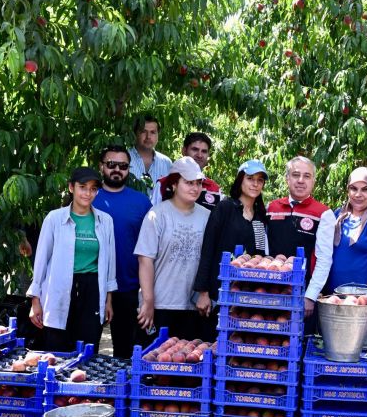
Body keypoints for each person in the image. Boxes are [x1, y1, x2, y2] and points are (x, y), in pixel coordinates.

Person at [27, 167, 117, 351]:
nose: (88, 193)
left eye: (93, 189)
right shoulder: (54, 219)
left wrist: (108, 300)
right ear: (71, 188)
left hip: (92, 288)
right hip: (60, 287)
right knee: (57, 344)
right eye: (83, 187)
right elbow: (41, 260)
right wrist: (35, 301)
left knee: (88, 346)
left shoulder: (105, 220)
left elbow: (110, 264)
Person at [134, 157, 210, 340]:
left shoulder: (207, 216)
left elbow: (210, 260)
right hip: (160, 305)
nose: (195, 188)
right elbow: (145, 260)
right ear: (174, 184)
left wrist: (205, 294)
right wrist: (148, 300)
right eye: (189, 182)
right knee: (154, 362)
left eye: (198, 183)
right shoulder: (157, 215)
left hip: (194, 307)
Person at [193, 159, 270, 340]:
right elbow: (208, 248)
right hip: (219, 292)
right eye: (251, 178)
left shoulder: (260, 215)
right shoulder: (225, 208)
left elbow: (260, 255)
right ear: (240, 180)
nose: (255, 184)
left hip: (246, 295)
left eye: (260, 180)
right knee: (214, 342)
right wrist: (203, 292)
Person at [93, 145, 152, 358]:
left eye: (123, 166)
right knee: (86, 347)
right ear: (101, 167)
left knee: (125, 352)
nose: (117, 170)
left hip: (128, 286)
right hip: (93, 284)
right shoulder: (89, 198)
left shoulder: (141, 202)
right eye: (111, 165)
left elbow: (151, 247)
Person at [267, 156, 335, 320]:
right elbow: (265, 250)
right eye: (296, 175)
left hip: (302, 292)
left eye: (307, 176)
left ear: (313, 181)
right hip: (271, 289)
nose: (301, 180)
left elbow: (324, 259)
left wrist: (310, 296)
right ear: (287, 178)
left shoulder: (323, 214)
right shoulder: (272, 207)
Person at [151, 132, 223, 211]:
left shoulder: (214, 189)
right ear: (184, 151)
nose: (199, 155)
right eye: (195, 149)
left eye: (204, 151)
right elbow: (154, 216)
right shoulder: (163, 184)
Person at [129, 115, 172, 196]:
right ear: (135, 133)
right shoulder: (124, 159)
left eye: (153, 132)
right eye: (143, 132)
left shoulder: (166, 163)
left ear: (158, 135)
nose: (148, 137)